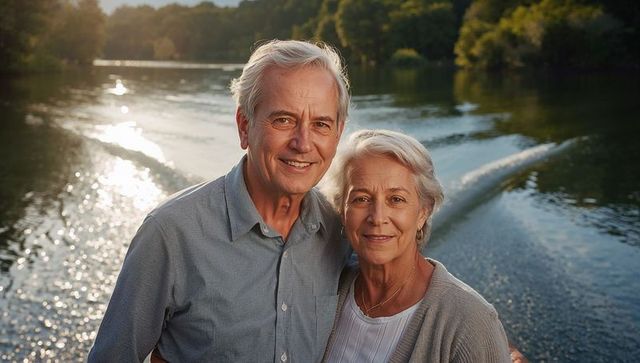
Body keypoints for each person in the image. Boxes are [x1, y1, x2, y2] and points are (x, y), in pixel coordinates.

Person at [88, 40, 351, 362]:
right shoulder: (170, 234)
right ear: (244, 126)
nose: (303, 143)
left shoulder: (343, 231)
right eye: (283, 120)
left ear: (338, 134)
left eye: (321, 124)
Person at [321, 129, 512, 362]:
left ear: (424, 211)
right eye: (361, 198)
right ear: (342, 209)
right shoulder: (326, 291)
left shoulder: (470, 321)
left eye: (396, 199)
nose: (377, 217)